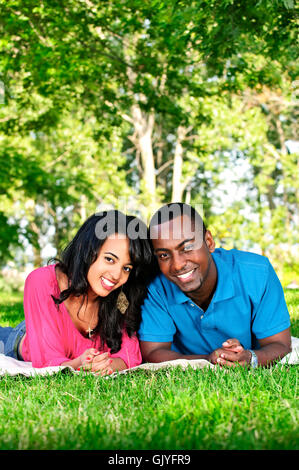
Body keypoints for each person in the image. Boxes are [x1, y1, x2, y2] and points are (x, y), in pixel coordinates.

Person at [139, 202, 292, 368]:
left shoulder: (257, 273)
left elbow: (280, 344)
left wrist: (249, 358)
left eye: (187, 247)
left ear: (209, 242)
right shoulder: (156, 286)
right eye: (164, 255)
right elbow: (153, 351)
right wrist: (210, 359)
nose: (177, 265)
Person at [0, 210, 154, 375]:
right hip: (16, 342)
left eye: (126, 268)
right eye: (109, 259)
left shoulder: (121, 299)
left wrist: (108, 365)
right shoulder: (42, 281)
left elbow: (130, 355)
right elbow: (48, 363)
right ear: (86, 249)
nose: (117, 275)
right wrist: (80, 363)